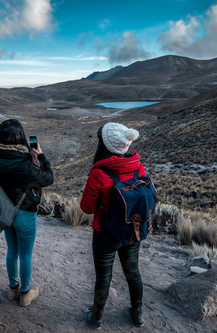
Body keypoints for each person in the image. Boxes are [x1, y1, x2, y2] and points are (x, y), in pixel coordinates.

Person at [80, 122, 146, 329]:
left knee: (103, 278)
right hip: (132, 230)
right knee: (133, 272)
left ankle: (97, 317)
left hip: (106, 233)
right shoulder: (138, 166)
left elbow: (87, 208)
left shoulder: (100, 173)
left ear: (105, 145)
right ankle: (137, 314)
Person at [0, 119, 54, 307]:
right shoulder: (25, 163)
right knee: (25, 255)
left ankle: (12, 289)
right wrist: (41, 157)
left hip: (5, 212)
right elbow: (48, 178)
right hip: (25, 213)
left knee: (12, 251)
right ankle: (25, 294)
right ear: (20, 138)